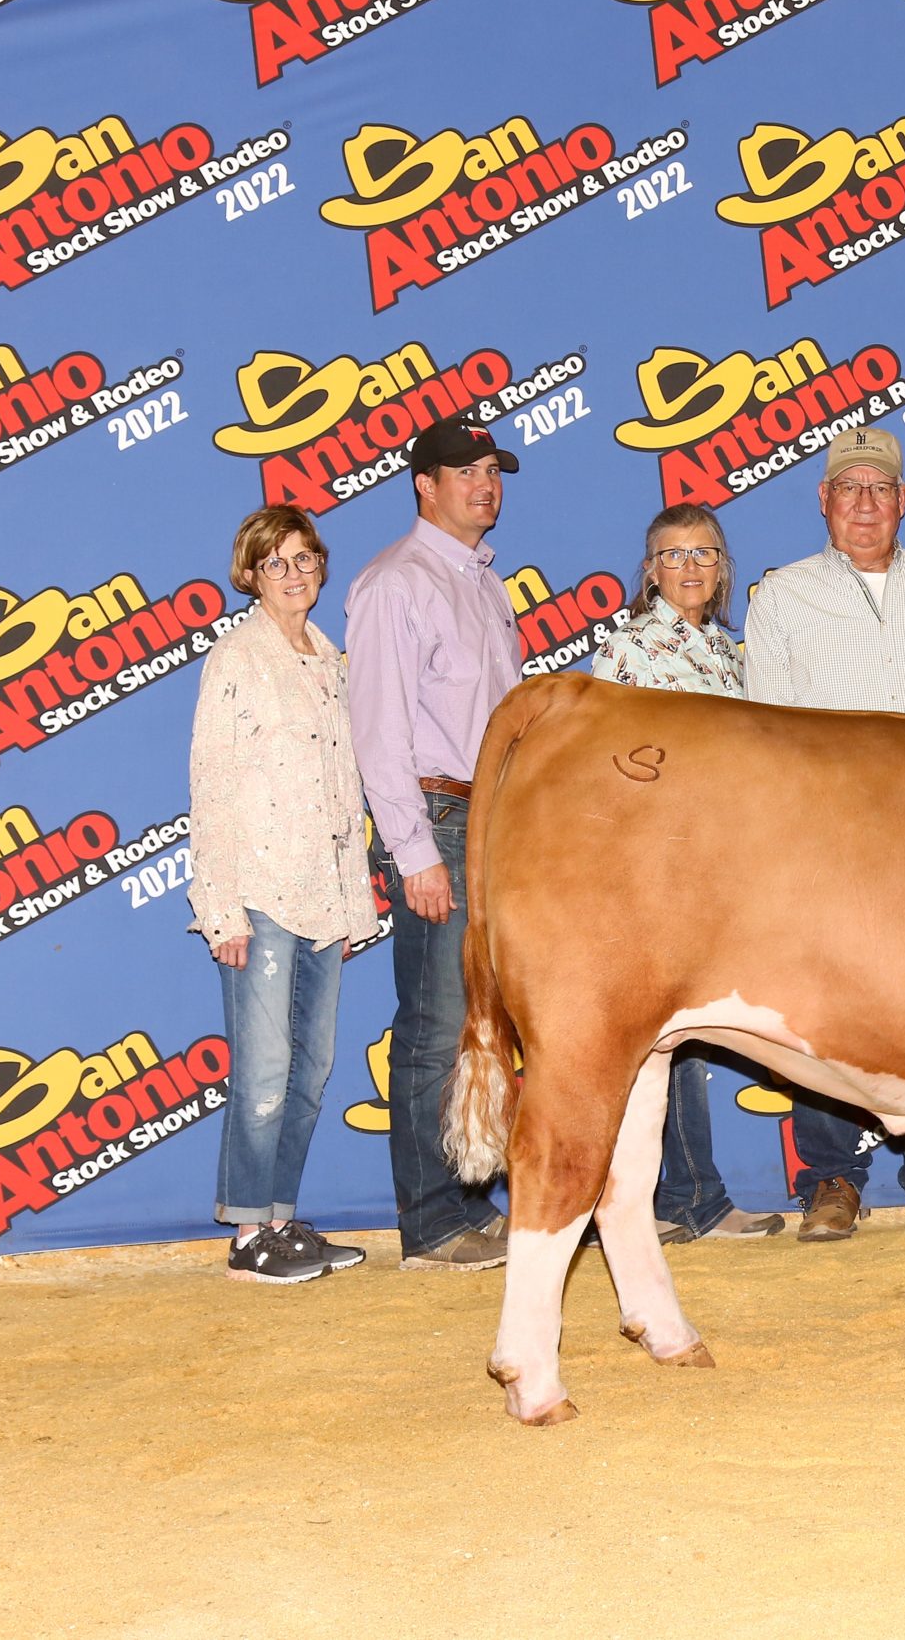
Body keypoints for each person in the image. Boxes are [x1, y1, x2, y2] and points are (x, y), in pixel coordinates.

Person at [744, 425, 905, 1241]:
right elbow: (767, 729)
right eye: (848, 488)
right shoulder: (780, 595)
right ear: (823, 500)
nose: (863, 503)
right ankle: (829, 1182)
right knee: (823, 1008)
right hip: (829, 834)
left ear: (903, 501)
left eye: (879, 488)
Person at [345, 414, 524, 1270]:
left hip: (494, 818)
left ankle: (464, 1203)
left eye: (493, 470)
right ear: (425, 483)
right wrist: (413, 851)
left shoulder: (486, 583)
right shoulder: (394, 583)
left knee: (479, 1021)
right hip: (438, 818)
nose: (484, 484)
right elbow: (379, 733)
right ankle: (429, 1222)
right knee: (433, 1021)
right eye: (465, 471)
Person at [188, 505, 380, 1283]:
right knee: (265, 1072)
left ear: (321, 566)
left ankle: (279, 1220)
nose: (294, 574)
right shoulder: (236, 658)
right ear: (251, 575)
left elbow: (345, 787)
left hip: (325, 893)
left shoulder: (328, 659)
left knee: (313, 1069)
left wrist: (354, 897)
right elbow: (211, 784)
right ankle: (244, 1238)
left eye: (304, 558)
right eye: (276, 563)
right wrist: (220, 906)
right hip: (261, 890)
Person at [586, 504, 785, 1243]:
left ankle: (679, 1198)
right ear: (650, 571)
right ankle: (675, 1200)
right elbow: (602, 770)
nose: (692, 567)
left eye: (705, 553)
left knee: (679, 1036)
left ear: (723, 567)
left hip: (720, 869)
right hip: (655, 869)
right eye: (675, 555)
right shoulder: (627, 651)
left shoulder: (731, 656)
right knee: (657, 1034)